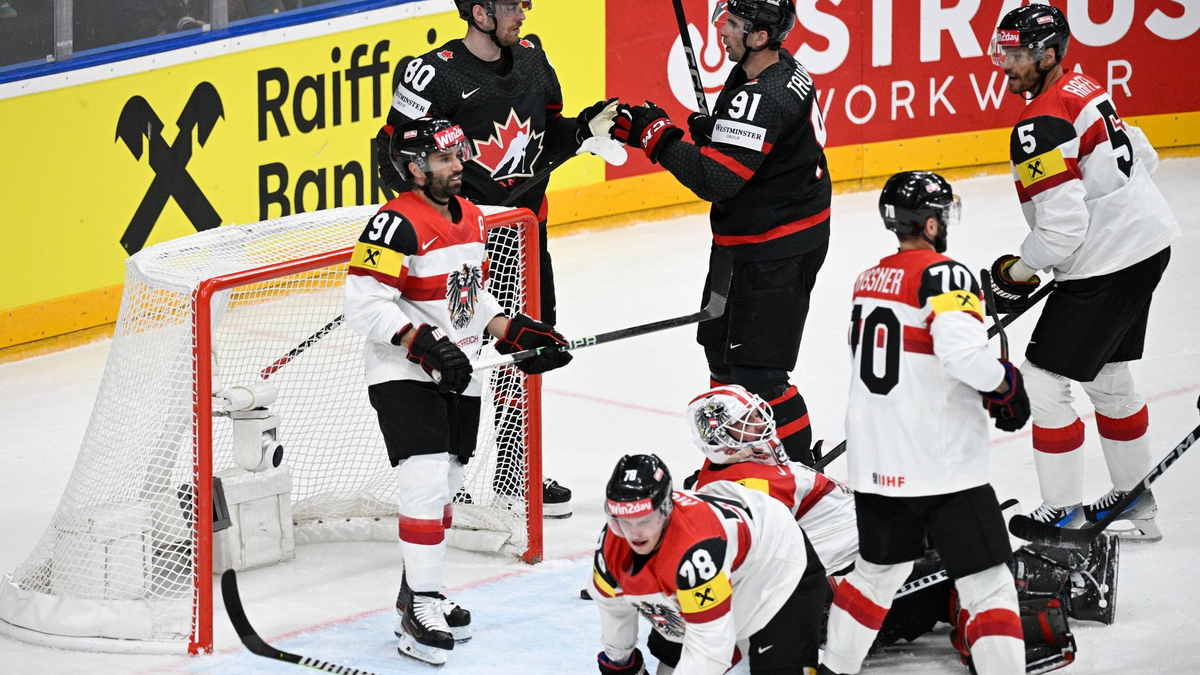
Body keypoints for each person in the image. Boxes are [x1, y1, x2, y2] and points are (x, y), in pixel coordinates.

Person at [344, 117, 572, 665]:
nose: (458, 165)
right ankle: (420, 601)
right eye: (445, 159)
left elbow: (469, 300)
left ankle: (418, 590)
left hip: (461, 370)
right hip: (404, 374)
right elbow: (362, 302)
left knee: (444, 487)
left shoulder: (470, 216)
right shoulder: (392, 224)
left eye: (459, 154)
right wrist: (420, 342)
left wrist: (513, 329)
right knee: (423, 484)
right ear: (415, 168)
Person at [377, 0, 617, 517]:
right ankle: (446, 475)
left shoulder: (532, 58)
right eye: (511, 5)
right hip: (463, 245)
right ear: (478, 11)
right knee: (451, 352)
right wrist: (436, 229)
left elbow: (542, 141)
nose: (523, 13)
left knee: (524, 349)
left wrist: (582, 130)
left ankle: (513, 473)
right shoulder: (430, 74)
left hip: (527, 236)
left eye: (524, 3)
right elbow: (392, 158)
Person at [685, 385, 1099, 673]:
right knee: (959, 553)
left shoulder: (739, 470)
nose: (763, 427)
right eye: (748, 425)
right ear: (720, 440)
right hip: (839, 594)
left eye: (759, 418)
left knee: (963, 527)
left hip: (852, 568)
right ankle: (1048, 597)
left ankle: (1028, 594)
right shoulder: (746, 486)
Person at [822, 171, 1031, 675]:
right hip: (942, 467)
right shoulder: (946, 275)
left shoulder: (867, 279)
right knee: (987, 585)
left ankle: (834, 671)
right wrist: (1004, 383)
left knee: (874, 579)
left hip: (876, 463)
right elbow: (962, 355)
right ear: (932, 224)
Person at [985, 3, 1181, 540]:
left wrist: (1018, 271)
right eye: (1003, 52)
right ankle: (1136, 505)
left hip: (1110, 261)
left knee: (1044, 384)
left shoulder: (1038, 124)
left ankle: (1063, 510)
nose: (1007, 65)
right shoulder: (1083, 86)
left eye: (1019, 55)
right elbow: (1144, 155)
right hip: (1145, 244)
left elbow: (1062, 233)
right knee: (1108, 375)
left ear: (1049, 55)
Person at [609, 0, 830, 467]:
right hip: (747, 242)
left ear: (759, 36)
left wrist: (658, 138)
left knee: (761, 373)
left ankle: (801, 476)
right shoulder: (776, 69)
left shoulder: (763, 93)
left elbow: (717, 181)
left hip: (775, 251)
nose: (720, 30)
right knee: (720, 356)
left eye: (732, 24)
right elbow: (762, 144)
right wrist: (720, 131)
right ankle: (732, 459)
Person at [591, 454, 828, 675]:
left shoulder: (696, 549)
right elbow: (614, 610)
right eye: (624, 521)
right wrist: (620, 664)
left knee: (780, 668)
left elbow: (712, 650)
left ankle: (832, 602)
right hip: (729, 552)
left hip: (775, 560)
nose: (634, 533)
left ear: (665, 509)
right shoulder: (612, 544)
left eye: (644, 521)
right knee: (673, 652)